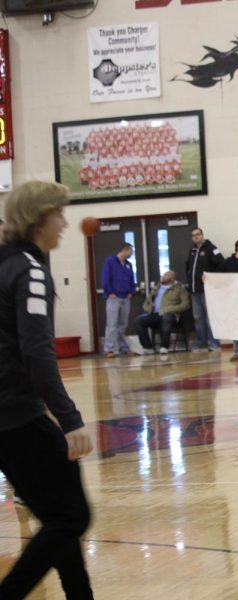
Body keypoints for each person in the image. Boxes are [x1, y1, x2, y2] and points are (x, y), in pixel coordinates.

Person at [0, 181, 95, 599]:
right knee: (71, 516)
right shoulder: (30, 270)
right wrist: (70, 419)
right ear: (39, 219)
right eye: (59, 213)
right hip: (15, 414)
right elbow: (38, 352)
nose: (65, 222)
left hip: (8, 414)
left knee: (59, 515)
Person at [185, 227, 224, 351]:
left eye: (198, 234)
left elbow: (221, 264)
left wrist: (210, 276)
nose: (196, 237)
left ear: (202, 235)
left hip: (207, 289)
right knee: (198, 317)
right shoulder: (191, 250)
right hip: (194, 290)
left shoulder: (211, 248)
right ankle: (202, 344)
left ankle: (214, 343)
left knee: (209, 317)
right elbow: (188, 267)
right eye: (193, 235)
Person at [136, 270, 190, 355]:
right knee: (139, 320)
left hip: (170, 314)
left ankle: (164, 346)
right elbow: (147, 303)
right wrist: (149, 306)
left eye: (166, 275)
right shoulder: (157, 287)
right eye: (163, 275)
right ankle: (147, 347)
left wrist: (171, 309)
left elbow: (186, 304)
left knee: (166, 318)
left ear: (172, 278)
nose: (163, 276)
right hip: (155, 314)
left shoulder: (179, 288)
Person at [101, 242, 136, 358]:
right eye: (130, 251)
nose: (132, 253)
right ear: (124, 250)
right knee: (112, 323)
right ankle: (109, 349)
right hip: (114, 297)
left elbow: (132, 278)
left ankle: (123, 348)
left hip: (126, 297)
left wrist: (132, 291)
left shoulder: (128, 265)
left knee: (123, 324)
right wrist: (109, 291)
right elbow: (105, 277)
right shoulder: (110, 261)